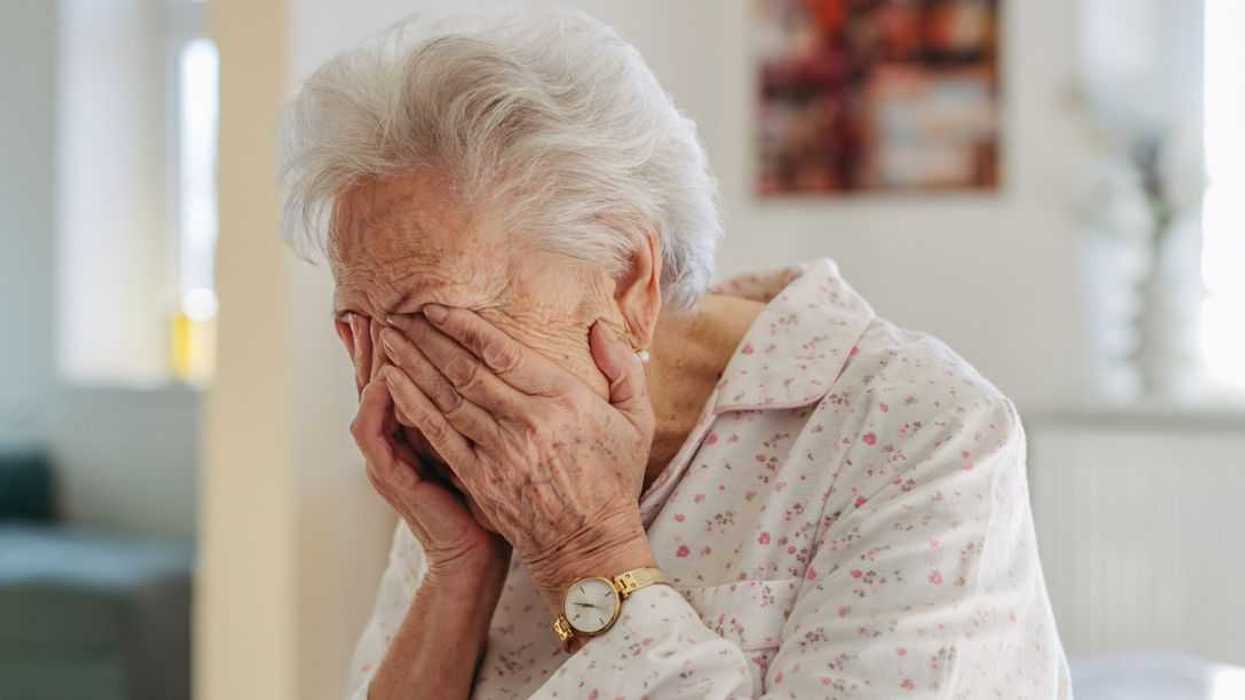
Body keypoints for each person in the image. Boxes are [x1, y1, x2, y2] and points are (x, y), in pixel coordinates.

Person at [280, 9, 1070, 699]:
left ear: (628, 276)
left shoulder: (918, 430)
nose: (389, 388)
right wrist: (459, 569)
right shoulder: (475, 445)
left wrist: (586, 550)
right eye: (358, 328)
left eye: (435, 322)